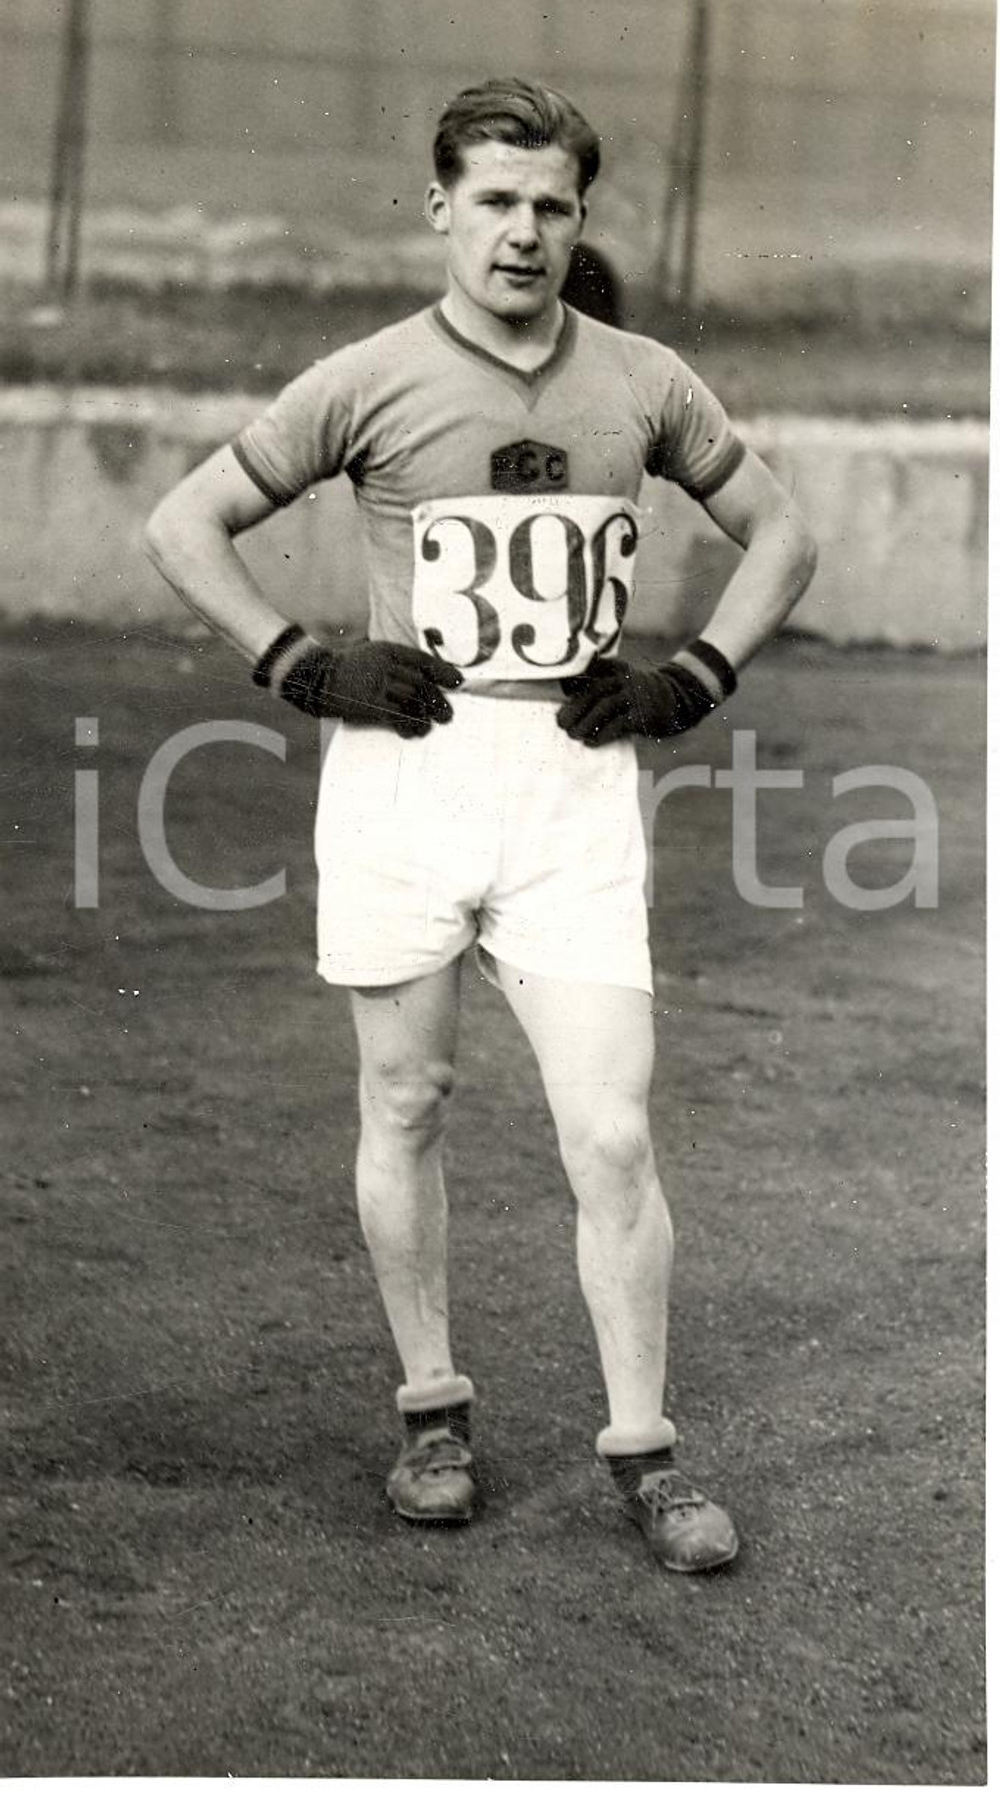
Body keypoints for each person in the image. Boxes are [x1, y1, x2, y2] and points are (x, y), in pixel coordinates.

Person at [146, 77, 817, 1574]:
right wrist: (299, 661)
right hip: (406, 776)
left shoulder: (643, 380)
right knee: (407, 1097)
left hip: (574, 787)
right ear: (440, 206)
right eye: (497, 201)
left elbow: (785, 530)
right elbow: (182, 526)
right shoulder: (369, 378)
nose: (524, 232)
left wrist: (694, 676)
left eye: (552, 206)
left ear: (581, 220)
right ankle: (432, 1412)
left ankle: (645, 1452)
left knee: (613, 1129)